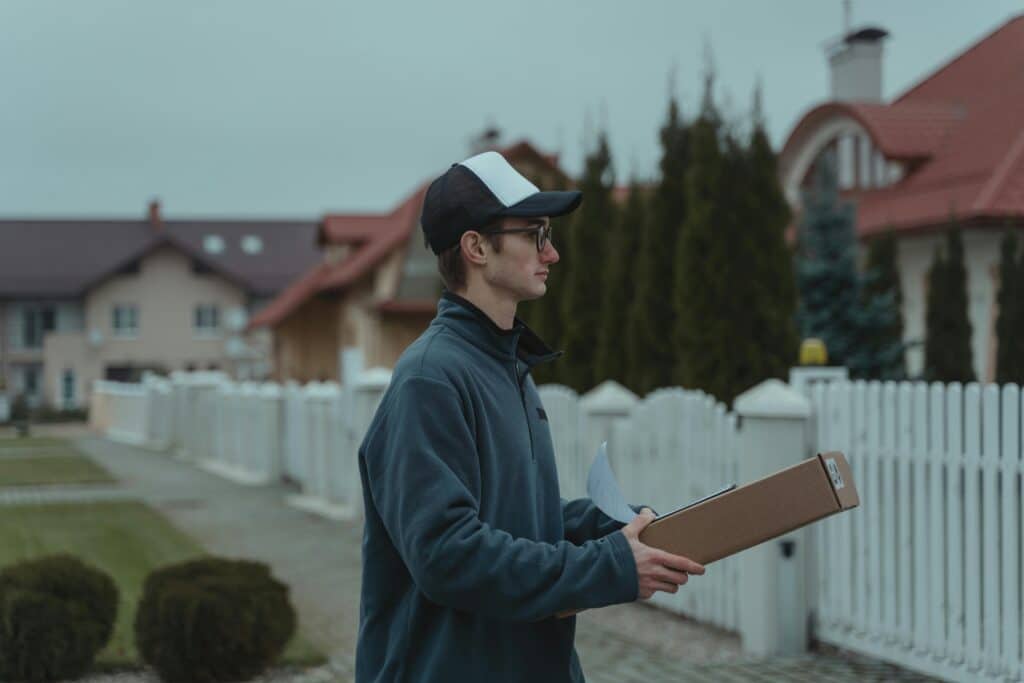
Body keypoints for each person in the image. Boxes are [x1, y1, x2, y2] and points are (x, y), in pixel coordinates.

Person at [355, 150, 704, 682]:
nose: (553, 252)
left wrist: (609, 525)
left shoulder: (505, 367)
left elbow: (514, 517)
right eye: (535, 234)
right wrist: (609, 565)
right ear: (475, 246)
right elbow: (447, 555)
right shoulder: (430, 378)